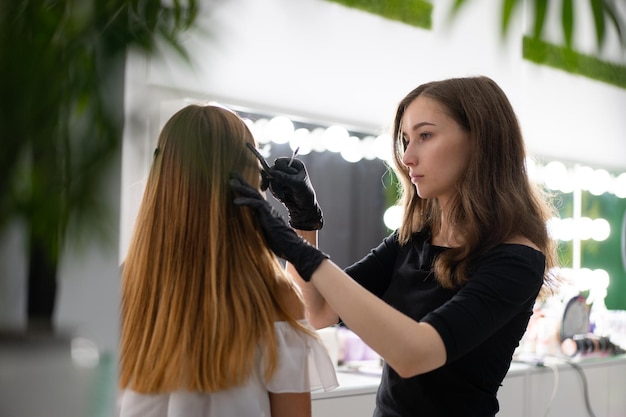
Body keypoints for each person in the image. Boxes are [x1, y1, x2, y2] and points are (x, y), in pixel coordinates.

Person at [230, 75, 561, 417]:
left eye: (425, 136)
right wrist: (304, 222)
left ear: (480, 140)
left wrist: (303, 255)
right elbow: (318, 312)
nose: (407, 157)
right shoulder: (414, 240)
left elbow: (414, 354)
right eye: (405, 140)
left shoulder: (516, 259)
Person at [118, 104, 338, 417]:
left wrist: (303, 225)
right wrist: (303, 225)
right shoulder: (272, 297)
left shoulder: (122, 285)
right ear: (248, 179)